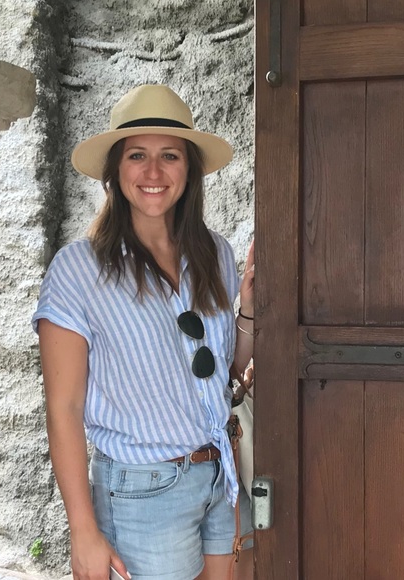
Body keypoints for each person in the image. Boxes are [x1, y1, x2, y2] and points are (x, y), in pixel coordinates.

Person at [32, 84, 255, 580]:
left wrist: (251, 314)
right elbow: (64, 407)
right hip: (141, 493)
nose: (153, 173)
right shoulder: (78, 270)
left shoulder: (215, 254)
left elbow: (224, 374)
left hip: (220, 477)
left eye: (169, 156)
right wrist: (82, 530)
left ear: (189, 169)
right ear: (115, 170)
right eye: (137, 155)